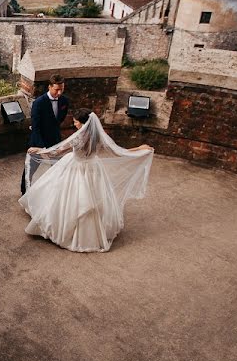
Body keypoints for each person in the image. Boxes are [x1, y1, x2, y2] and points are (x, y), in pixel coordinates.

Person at [18, 108, 154, 253]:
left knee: (66, 197)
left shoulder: (78, 138)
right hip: (93, 168)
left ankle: (66, 231)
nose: (74, 124)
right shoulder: (99, 136)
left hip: (75, 167)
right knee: (93, 199)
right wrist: (139, 148)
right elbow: (118, 151)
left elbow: (55, 152)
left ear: (83, 123)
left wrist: (39, 150)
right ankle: (94, 232)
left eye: (76, 122)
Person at [21, 74, 70, 194]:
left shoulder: (64, 101)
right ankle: (24, 192)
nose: (59, 93)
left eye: (61, 89)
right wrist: (41, 147)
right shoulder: (38, 103)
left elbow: (59, 120)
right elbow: (36, 127)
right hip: (38, 140)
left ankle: (54, 193)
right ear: (49, 87)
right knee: (30, 169)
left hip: (55, 140)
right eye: (56, 89)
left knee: (57, 168)